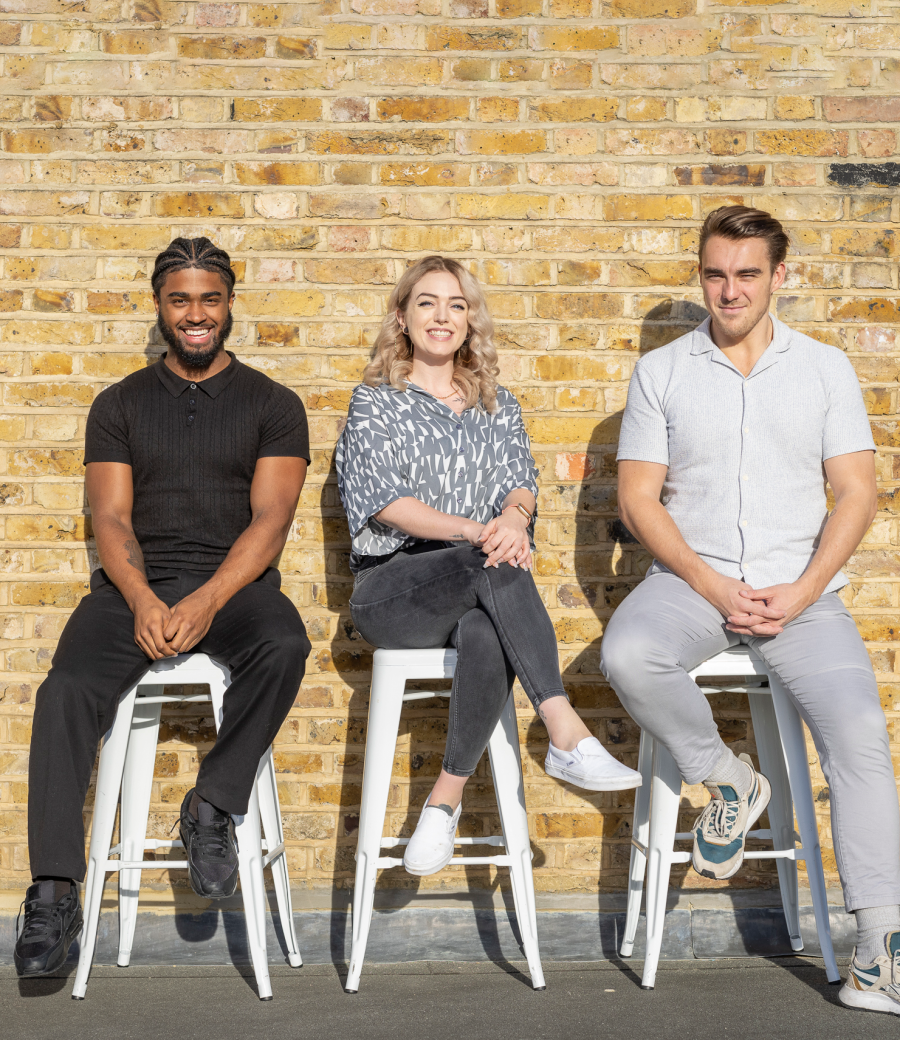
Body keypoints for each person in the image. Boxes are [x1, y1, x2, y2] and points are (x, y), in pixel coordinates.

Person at [600, 205, 900, 1015]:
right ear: (700, 273)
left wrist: (803, 589)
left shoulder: (826, 368)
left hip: (802, 594)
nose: (729, 290)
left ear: (778, 275)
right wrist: (705, 581)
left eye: (747, 273)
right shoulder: (661, 372)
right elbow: (638, 498)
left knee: (861, 739)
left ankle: (880, 952)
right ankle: (728, 779)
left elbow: (857, 491)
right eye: (714, 273)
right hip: (694, 582)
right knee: (626, 654)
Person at [14, 237, 311, 978]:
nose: (196, 313)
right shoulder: (117, 405)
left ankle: (213, 804)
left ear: (230, 303)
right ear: (160, 306)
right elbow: (110, 521)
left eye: (209, 298)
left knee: (284, 644)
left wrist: (209, 600)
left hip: (234, 585)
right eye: (180, 299)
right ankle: (52, 891)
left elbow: (270, 523)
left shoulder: (274, 405)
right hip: (134, 585)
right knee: (65, 691)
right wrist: (142, 598)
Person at [336, 255, 640, 877]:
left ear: (470, 320)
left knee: (485, 631)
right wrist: (484, 531)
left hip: (480, 583)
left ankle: (440, 806)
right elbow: (387, 505)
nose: (442, 316)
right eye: (426, 302)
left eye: (456, 304)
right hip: (394, 591)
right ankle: (564, 729)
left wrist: (514, 519)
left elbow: (521, 485)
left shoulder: (498, 405)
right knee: (490, 560)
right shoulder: (375, 403)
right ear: (402, 317)